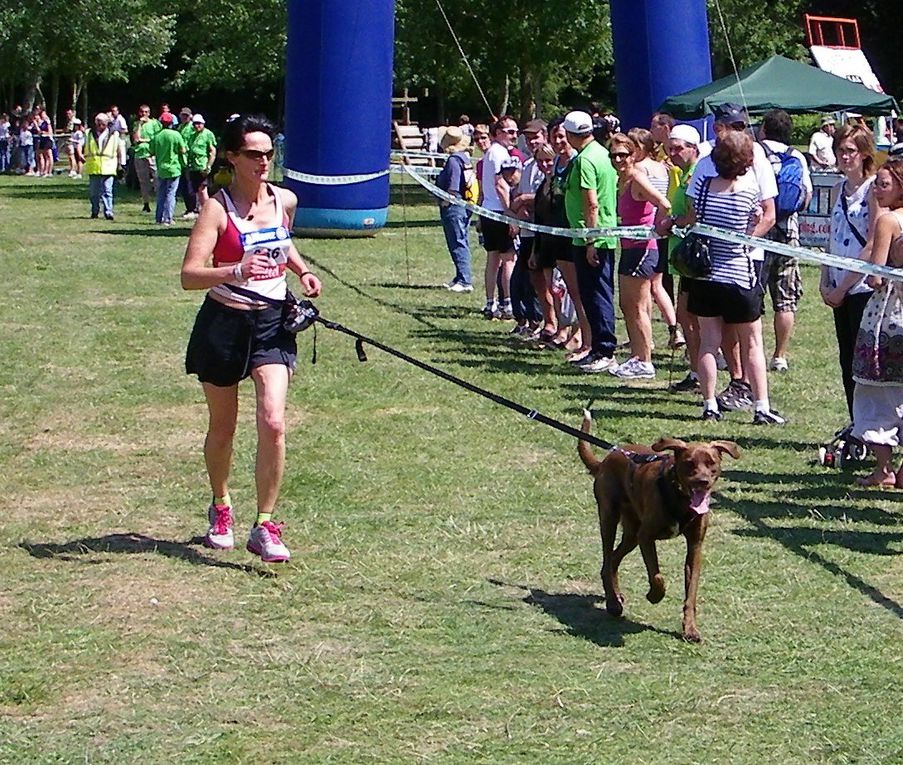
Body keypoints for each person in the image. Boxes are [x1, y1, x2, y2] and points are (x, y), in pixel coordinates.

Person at [181, 113, 322, 563]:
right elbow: (189, 276)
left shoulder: (285, 199)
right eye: (253, 154)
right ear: (232, 157)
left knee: (274, 421)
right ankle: (221, 506)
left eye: (268, 153)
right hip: (224, 322)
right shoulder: (217, 208)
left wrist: (302, 271)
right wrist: (237, 270)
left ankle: (265, 523)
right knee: (223, 428)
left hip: (272, 324)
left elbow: (283, 241)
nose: (263, 161)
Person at [685, 130, 784, 424]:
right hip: (739, 274)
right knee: (752, 342)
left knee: (708, 343)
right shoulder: (750, 191)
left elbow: (692, 218)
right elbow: (760, 220)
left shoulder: (702, 187)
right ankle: (761, 407)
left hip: (706, 276)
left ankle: (709, 404)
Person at [821, 123, 881, 424]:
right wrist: (825, 279)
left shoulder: (873, 189)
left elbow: (872, 243)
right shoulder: (838, 189)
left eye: (850, 151)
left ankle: (869, 423)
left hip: (861, 288)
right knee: (847, 359)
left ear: (863, 153)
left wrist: (843, 287)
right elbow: (831, 236)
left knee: (863, 362)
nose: (845, 157)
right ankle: (855, 421)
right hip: (837, 281)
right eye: (840, 151)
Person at [850, 158, 903, 487]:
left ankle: (883, 469)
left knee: (876, 391)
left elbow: (877, 277)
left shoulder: (887, 221)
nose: (877, 190)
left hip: (889, 317)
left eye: (883, 184)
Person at [608, 132, 671, 380]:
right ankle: (637, 356)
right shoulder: (620, 179)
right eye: (614, 156)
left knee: (637, 307)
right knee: (628, 305)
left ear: (633, 155)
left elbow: (663, 203)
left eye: (623, 155)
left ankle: (645, 361)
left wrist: (656, 228)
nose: (618, 160)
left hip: (643, 248)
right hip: (629, 247)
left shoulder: (636, 177)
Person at [562, 110, 619, 374]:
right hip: (598, 234)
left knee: (596, 295)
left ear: (572, 135)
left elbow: (591, 202)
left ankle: (604, 350)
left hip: (592, 236)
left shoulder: (585, 160)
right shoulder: (601, 153)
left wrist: (591, 241)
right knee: (596, 293)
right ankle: (598, 347)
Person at [758, 109, 813, 372]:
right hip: (787, 234)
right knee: (785, 299)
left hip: (757, 232)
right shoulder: (797, 157)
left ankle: (753, 349)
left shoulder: (755, 153)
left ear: (764, 129)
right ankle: (780, 355)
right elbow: (806, 196)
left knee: (753, 297)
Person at [657, 124, 703, 393]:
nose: (672, 153)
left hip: (693, 257)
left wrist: (672, 222)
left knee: (690, 318)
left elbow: (693, 215)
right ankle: (695, 370)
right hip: (681, 257)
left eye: (678, 148)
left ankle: (699, 371)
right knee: (685, 318)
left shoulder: (695, 174)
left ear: (693, 149)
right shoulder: (682, 173)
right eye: (670, 148)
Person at [509, 119, 548, 336]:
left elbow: (545, 196)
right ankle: (525, 321)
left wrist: (524, 199)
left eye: (536, 136)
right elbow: (520, 196)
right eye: (529, 137)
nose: (532, 141)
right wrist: (519, 208)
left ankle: (538, 321)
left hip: (541, 233)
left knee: (536, 281)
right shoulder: (527, 166)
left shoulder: (547, 165)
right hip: (526, 231)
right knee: (520, 281)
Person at [479, 116, 519, 320]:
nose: (514, 136)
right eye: (510, 132)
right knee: (509, 258)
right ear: (498, 133)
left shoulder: (490, 153)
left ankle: (490, 302)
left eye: (515, 132)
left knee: (493, 259)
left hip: (487, 210)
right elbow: (500, 184)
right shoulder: (499, 153)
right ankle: (508, 303)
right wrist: (510, 213)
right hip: (498, 212)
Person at [434, 125, 474, 292]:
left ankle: (465, 280)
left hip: (454, 205)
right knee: (460, 239)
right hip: (465, 204)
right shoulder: (464, 158)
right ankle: (460, 276)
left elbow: (453, 185)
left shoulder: (453, 161)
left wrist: (446, 201)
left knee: (457, 242)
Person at [150, 112, 187, 225]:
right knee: (171, 194)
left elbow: (151, 151)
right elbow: (183, 150)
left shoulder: (157, 136)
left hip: (161, 168)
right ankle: (168, 218)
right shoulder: (176, 135)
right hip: (174, 168)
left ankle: (158, 218)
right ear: (172, 123)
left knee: (161, 194)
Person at [83, 112, 122, 220]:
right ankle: (94, 211)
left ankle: (108, 212)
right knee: (94, 193)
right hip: (94, 166)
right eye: (99, 124)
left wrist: (121, 164)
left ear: (107, 123)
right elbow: (84, 146)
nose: (101, 126)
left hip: (108, 166)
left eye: (103, 124)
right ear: (96, 123)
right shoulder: (89, 133)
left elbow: (119, 149)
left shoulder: (114, 134)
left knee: (107, 191)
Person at [184, 113, 218, 218]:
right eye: (195, 124)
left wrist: (208, 166)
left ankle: (208, 212)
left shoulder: (208, 134)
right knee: (196, 190)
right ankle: (200, 210)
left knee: (203, 190)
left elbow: (212, 151)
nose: (197, 126)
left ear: (203, 123)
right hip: (193, 166)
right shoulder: (192, 135)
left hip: (203, 166)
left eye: (199, 124)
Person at [132, 104, 161, 212]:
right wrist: (140, 125)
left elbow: (156, 138)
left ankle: (160, 202)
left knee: (157, 178)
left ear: (149, 113)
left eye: (146, 112)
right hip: (139, 154)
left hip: (151, 154)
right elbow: (135, 139)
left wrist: (143, 140)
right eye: (142, 112)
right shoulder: (136, 124)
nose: (144, 114)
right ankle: (146, 203)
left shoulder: (154, 123)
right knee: (143, 181)